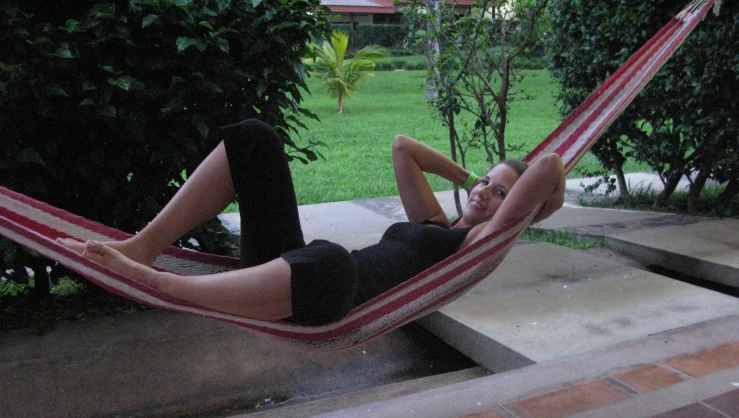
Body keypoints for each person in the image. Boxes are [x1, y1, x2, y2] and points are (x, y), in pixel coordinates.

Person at [57, 119, 565, 325]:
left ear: (516, 212)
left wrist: (530, 201)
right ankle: (146, 246)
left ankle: (164, 285)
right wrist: (466, 175)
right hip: (287, 275)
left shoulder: (478, 244)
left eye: (501, 194)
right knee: (256, 138)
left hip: (333, 294)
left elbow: (549, 168)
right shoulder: (434, 220)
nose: (484, 194)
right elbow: (402, 147)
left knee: (332, 259)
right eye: (484, 183)